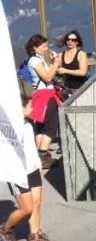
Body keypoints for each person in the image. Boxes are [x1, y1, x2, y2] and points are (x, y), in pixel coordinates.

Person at [1, 93, 55, 241]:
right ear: (20, 108)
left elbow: (31, 148)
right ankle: (5, 229)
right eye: (29, 105)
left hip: (32, 169)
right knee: (26, 208)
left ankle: (35, 236)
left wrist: (37, 164)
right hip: (18, 173)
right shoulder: (7, 128)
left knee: (37, 203)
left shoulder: (28, 124)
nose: (32, 107)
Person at [18, 34, 61, 164]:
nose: (46, 48)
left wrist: (54, 63)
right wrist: (56, 64)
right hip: (45, 96)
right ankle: (43, 153)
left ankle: (41, 154)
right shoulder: (35, 61)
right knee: (52, 124)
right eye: (43, 46)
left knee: (42, 125)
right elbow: (48, 77)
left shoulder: (37, 59)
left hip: (42, 95)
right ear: (35, 48)